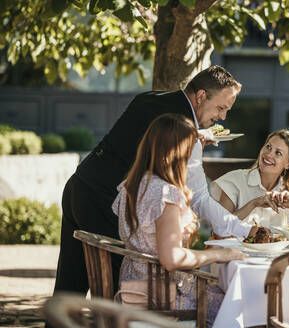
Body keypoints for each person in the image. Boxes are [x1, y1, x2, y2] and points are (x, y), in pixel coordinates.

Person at [53, 65, 258, 297]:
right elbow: (199, 197)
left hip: (79, 186)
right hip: (104, 201)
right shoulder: (184, 130)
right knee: (117, 296)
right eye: (221, 108)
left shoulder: (152, 99)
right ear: (200, 96)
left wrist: (193, 141)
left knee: (68, 288)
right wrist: (245, 231)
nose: (222, 117)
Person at [112, 114, 246, 326]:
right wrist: (218, 254)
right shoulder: (165, 193)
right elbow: (171, 258)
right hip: (161, 296)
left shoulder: (133, 184)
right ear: (177, 153)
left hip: (133, 286)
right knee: (240, 306)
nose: (193, 159)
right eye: (191, 151)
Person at [210, 129, 289, 228]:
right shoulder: (234, 180)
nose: (269, 154)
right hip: (235, 248)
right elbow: (219, 227)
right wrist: (254, 203)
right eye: (268, 146)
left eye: (278, 153)